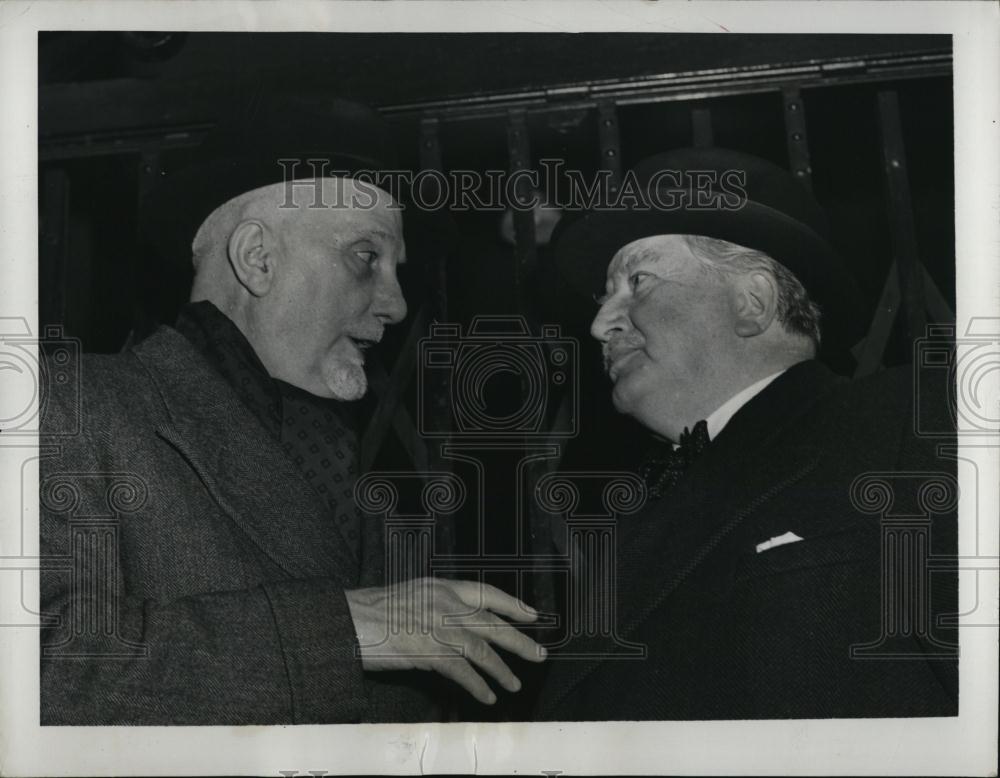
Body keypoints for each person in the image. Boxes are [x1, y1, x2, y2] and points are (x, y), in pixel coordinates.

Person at [39, 97, 545, 725]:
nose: (394, 304)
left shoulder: (352, 464)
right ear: (258, 258)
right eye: (366, 257)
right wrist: (341, 632)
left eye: (396, 270)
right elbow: (38, 669)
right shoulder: (70, 402)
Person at [536, 146, 957, 720]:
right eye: (603, 296)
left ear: (752, 303)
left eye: (638, 281)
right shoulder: (628, 518)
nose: (599, 322)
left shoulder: (917, 420)